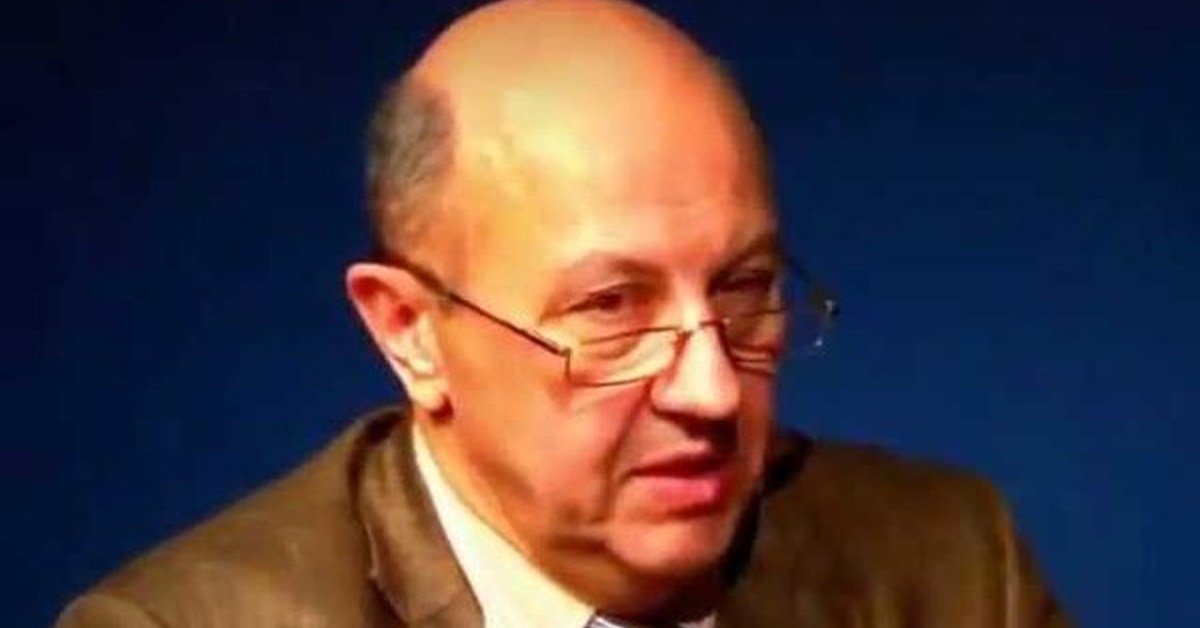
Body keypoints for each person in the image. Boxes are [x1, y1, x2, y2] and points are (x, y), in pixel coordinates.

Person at [57, 0, 1070, 626]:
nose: (713, 391)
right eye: (613, 308)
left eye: (743, 289)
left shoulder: (953, 567)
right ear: (410, 331)